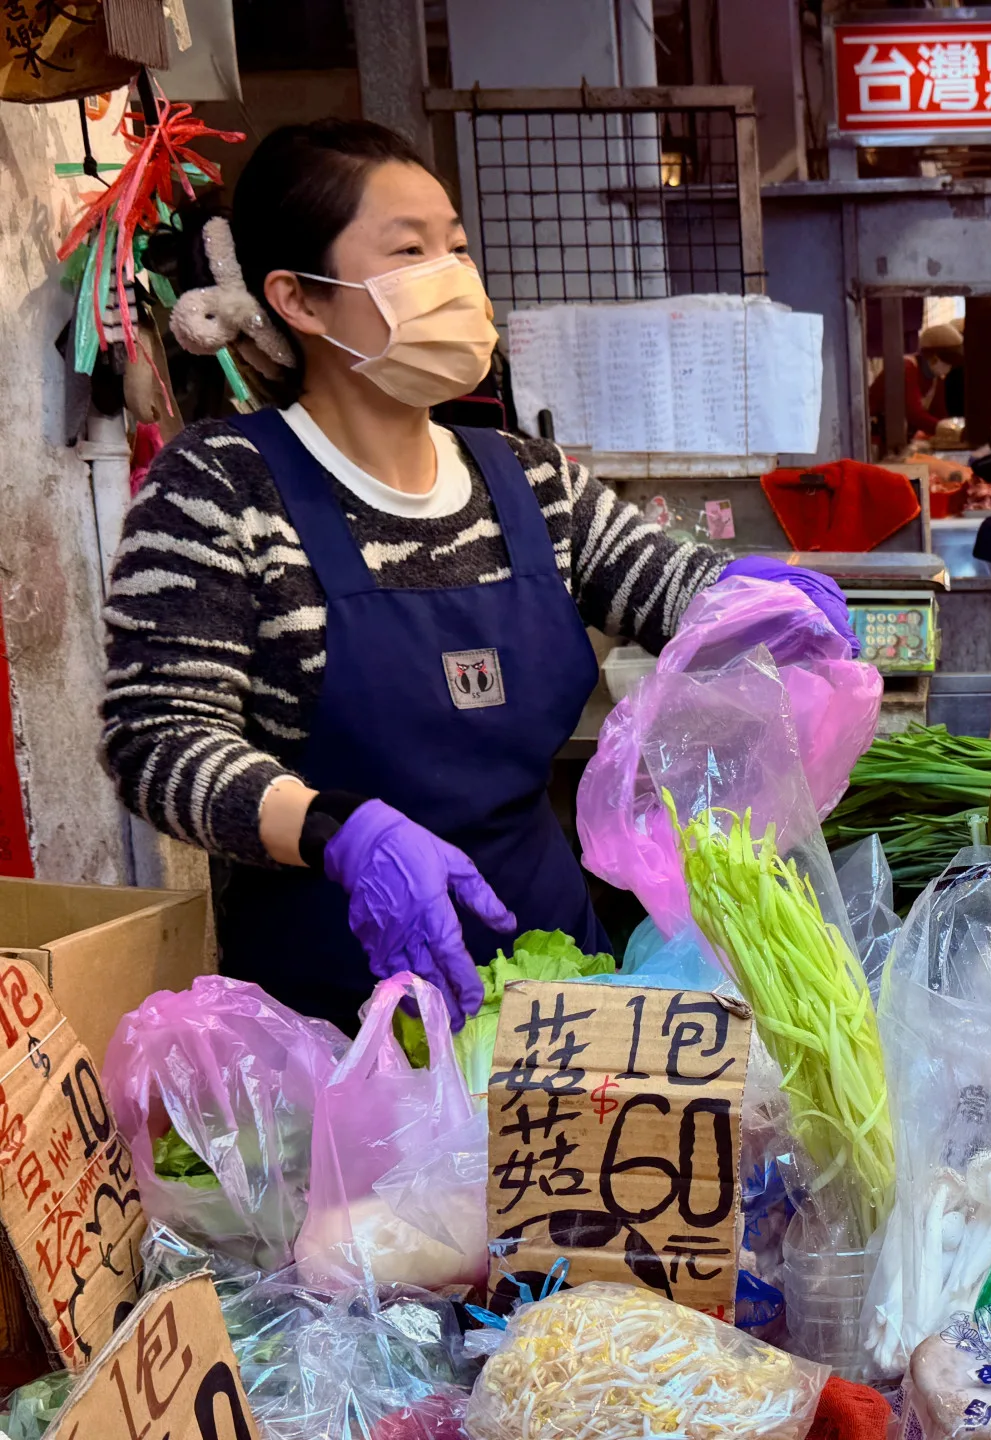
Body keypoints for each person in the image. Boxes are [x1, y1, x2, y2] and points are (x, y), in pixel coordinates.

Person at [97, 120, 855, 1031]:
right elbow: (156, 737)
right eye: (410, 251)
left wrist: (759, 603)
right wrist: (337, 832)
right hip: (338, 1033)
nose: (454, 279)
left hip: (563, 1001)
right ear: (298, 299)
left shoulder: (529, 479)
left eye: (455, 247)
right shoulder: (221, 486)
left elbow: (668, 583)